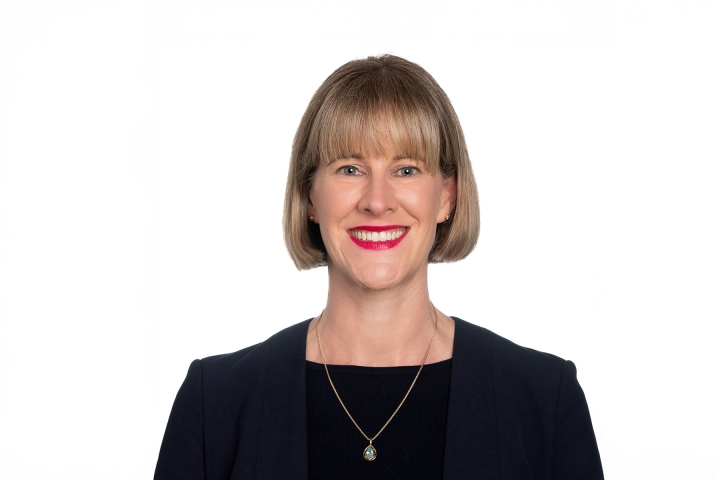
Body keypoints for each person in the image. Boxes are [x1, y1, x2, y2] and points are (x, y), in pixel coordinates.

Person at [154, 54, 603, 480]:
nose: (377, 201)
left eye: (406, 170)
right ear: (310, 196)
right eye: (350, 169)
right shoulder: (214, 404)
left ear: (446, 195)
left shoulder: (544, 399)